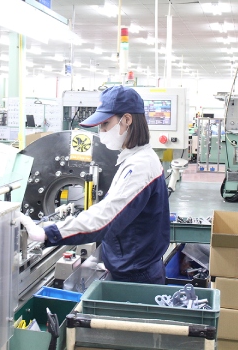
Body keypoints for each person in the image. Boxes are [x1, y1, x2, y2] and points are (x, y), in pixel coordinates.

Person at [19, 85, 171, 284]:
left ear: (127, 120)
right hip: (130, 267)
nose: (102, 131)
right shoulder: (134, 158)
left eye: (105, 124)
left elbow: (106, 218)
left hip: (136, 279)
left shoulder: (140, 166)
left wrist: (48, 233)